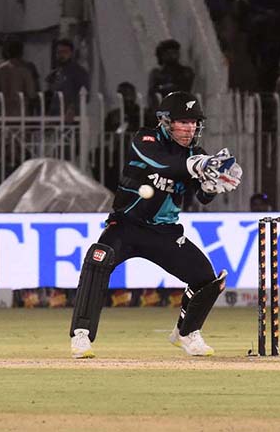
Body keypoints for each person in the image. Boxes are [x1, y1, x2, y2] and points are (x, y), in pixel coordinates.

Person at [69, 91, 243, 359]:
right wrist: (197, 166)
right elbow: (162, 163)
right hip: (126, 225)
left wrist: (210, 187)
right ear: (166, 121)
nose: (190, 128)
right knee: (98, 258)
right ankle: (81, 335)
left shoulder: (197, 154)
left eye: (194, 122)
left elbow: (202, 197)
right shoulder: (145, 139)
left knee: (207, 280)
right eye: (183, 122)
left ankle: (186, 333)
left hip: (164, 231)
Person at [45, 38, 89, 120]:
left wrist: (73, 108)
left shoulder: (78, 71)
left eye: (65, 52)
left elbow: (85, 94)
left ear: (71, 53)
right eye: (59, 52)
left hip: (71, 118)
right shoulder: (56, 72)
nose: (61, 55)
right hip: (55, 117)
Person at [148, 39, 195, 105]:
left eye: (175, 52)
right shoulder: (156, 73)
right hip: (163, 108)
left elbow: (184, 88)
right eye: (168, 53)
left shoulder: (186, 71)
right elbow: (153, 92)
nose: (172, 56)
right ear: (162, 55)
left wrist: (164, 87)